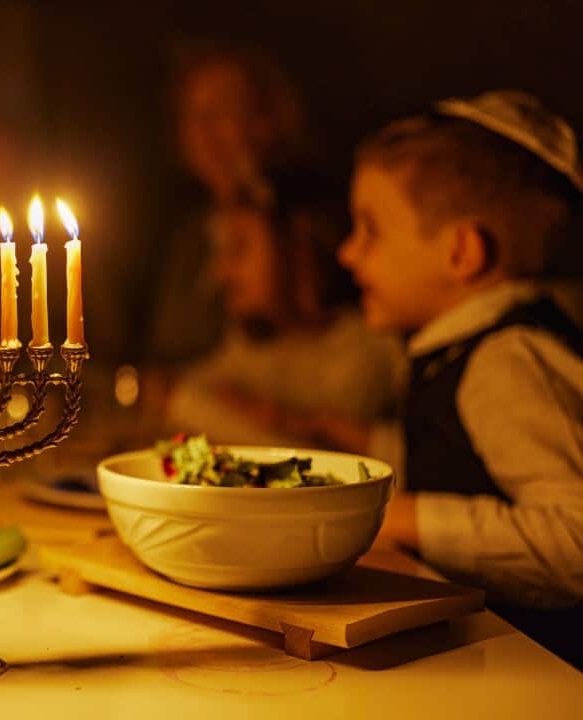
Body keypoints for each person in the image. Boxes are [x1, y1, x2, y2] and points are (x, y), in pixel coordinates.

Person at [339, 90, 583, 666]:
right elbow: (467, 460)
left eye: (370, 229)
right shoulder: (463, 353)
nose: (348, 253)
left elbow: (575, 537)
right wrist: (354, 441)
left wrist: (403, 517)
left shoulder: (506, 360)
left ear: (461, 251)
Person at [162, 167, 403, 446]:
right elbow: (189, 390)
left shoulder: (364, 351)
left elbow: (313, 459)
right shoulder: (249, 349)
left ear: (297, 252)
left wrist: (285, 420)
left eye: (239, 249)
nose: (221, 272)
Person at [140, 45, 308, 368]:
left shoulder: (302, 225)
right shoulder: (188, 236)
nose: (204, 130)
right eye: (192, 114)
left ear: (265, 120)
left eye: (223, 110)